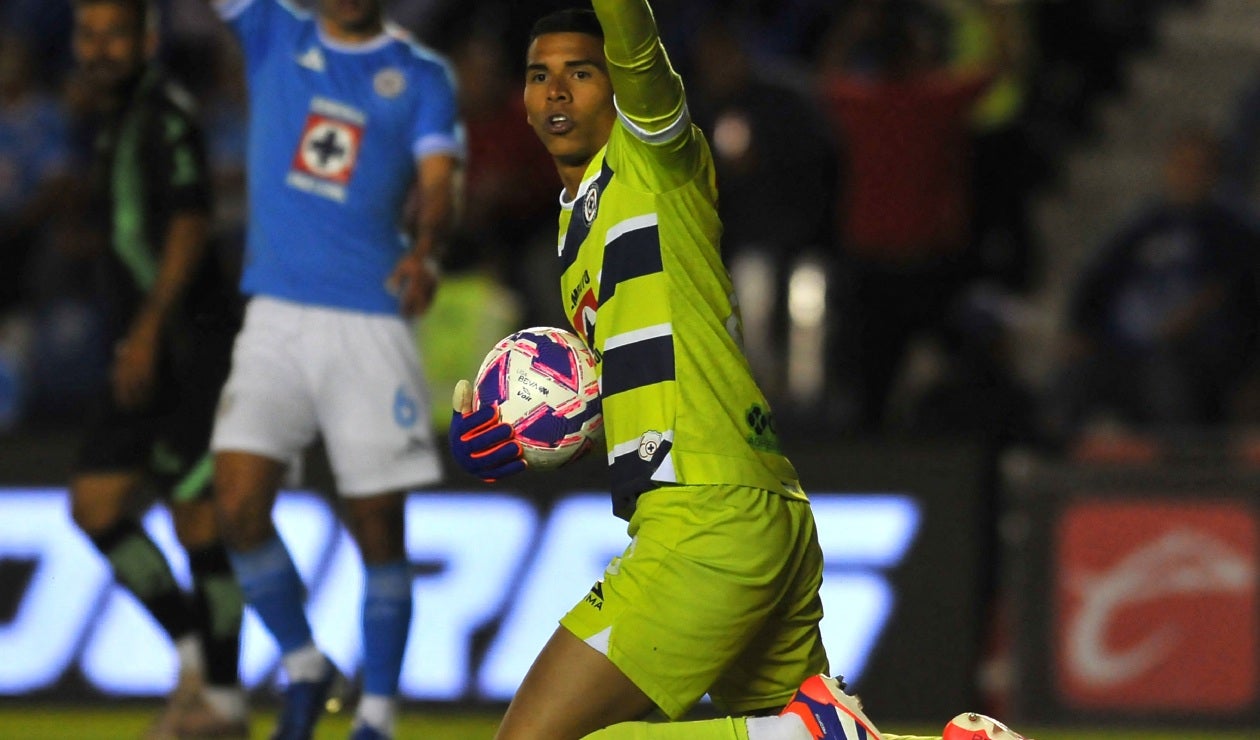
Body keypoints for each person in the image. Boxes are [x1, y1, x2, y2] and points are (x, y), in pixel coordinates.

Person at [448, 3, 1032, 740]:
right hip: (752, 505)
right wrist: (513, 434)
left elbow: (639, 50)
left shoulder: (654, 158)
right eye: (540, 76)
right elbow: (631, 392)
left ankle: (801, 735)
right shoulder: (574, 229)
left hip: (704, 516)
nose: (557, 91)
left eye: (581, 72)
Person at [203, 0, 464, 738]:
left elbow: (440, 181)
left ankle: (377, 709)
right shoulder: (271, 29)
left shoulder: (418, 74)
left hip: (369, 316)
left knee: (377, 523)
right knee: (236, 503)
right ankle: (304, 664)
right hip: (274, 314)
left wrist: (428, 248)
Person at [65, 1, 248, 737]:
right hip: (147, 347)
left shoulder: (164, 111)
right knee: (95, 506)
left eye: (115, 34)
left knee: (197, 520)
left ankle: (223, 703)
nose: (100, 48)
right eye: (89, 34)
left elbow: (190, 220)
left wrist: (145, 330)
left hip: (184, 347)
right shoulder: (114, 116)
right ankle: (194, 659)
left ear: (146, 40)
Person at [1049, 126, 1260, 440]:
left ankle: (1178, 475)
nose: (1188, 175)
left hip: (1196, 360)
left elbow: (1240, 296)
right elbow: (1096, 281)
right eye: (1181, 165)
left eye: (1198, 167)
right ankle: (1045, 471)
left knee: (1167, 376)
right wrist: (1080, 329)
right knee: (1075, 379)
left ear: (1214, 173)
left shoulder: (1234, 232)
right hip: (1125, 353)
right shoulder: (1144, 227)